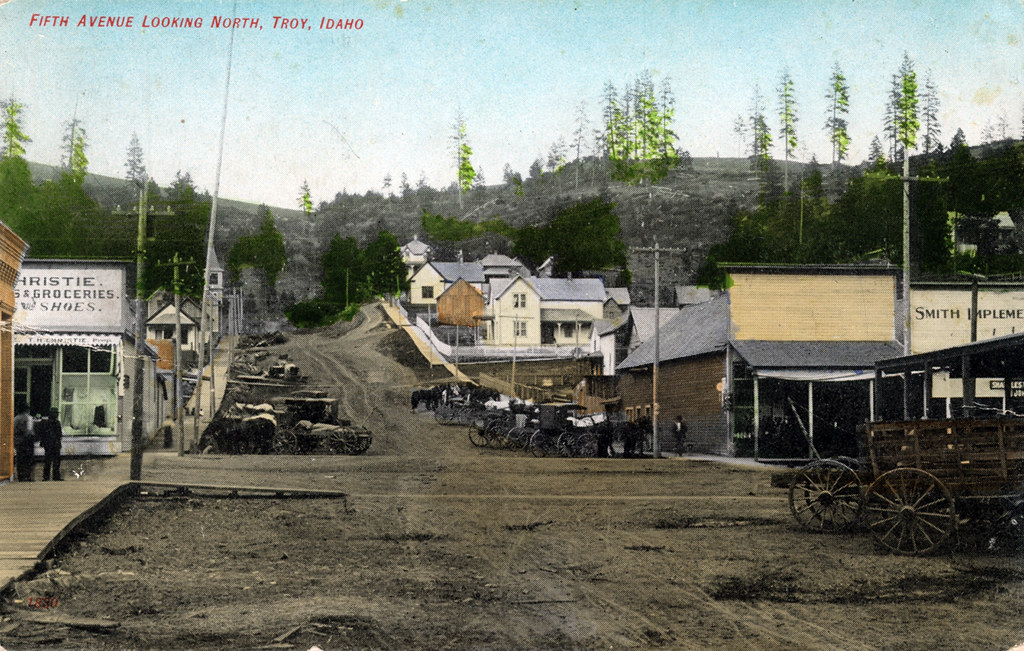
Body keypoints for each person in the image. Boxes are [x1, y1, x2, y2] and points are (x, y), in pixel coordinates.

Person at [39, 408, 63, 481]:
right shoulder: (56, 422)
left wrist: (42, 442)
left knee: (48, 461)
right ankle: (55, 476)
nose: (57, 415)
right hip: (54, 444)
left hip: (49, 444)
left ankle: (46, 477)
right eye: (56, 413)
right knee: (55, 461)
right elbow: (59, 434)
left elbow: (42, 434)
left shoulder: (45, 422)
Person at [13, 401, 35, 482]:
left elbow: (13, 431)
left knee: (20, 460)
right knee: (29, 460)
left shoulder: (15, 419)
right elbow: (29, 431)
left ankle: (21, 477)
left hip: (18, 442)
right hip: (27, 442)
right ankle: (28, 476)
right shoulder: (29, 418)